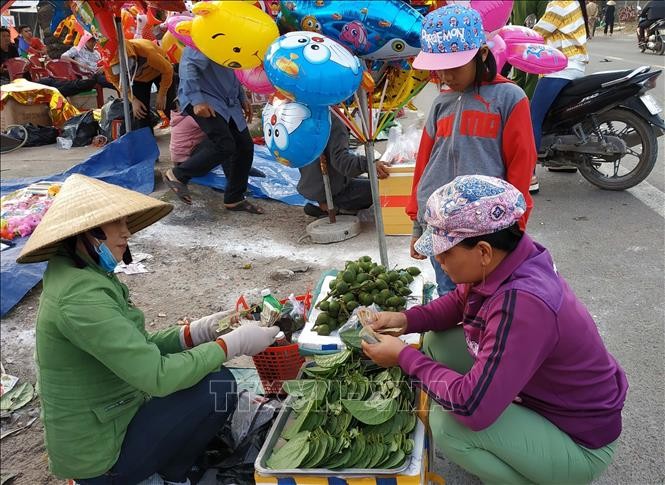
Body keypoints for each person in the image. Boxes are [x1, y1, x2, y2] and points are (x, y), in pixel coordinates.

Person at [363, 174, 627, 485]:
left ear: (484, 251)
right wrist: (406, 320)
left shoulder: (524, 304)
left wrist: (405, 357)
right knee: (439, 342)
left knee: (450, 425)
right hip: (541, 397)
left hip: (580, 441)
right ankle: (509, 447)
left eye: (446, 253)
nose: (439, 261)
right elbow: (457, 304)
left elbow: (472, 407)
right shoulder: (507, 261)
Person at [17, 174, 280, 484]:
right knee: (217, 385)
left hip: (118, 416)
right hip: (99, 455)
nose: (126, 231)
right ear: (85, 232)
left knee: (215, 382)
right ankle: (157, 474)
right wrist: (233, 344)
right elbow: (157, 376)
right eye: (116, 222)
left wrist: (198, 332)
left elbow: (135, 345)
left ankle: (174, 474)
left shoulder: (84, 273)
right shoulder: (78, 297)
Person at [407, 4, 536, 297]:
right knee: (449, 295)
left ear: (482, 54)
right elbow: (425, 164)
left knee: (486, 299)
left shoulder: (510, 98)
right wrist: (417, 223)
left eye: (455, 66)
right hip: (439, 227)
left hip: (483, 229)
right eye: (440, 68)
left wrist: (516, 224)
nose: (446, 75)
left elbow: (521, 164)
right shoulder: (441, 103)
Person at [164, 46, 262, 214]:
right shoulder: (207, 34)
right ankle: (178, 174)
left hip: (227, 99)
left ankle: (234, 198)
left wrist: (241, 96)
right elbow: (188, 65)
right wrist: (197, 100)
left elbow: (233, 67)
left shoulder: (234, 35)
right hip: (204, 98)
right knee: (224, 144)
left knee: (244, 146)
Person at [530, 0, 589, 187]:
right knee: (558, 116)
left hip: (561, 68)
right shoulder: (571, 3)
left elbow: (537, 33)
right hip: (572, 66)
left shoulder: (560, 4)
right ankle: (563, 161)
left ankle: (528, 174)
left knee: (532, 118)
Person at [297, 116, 390, 218]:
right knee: (382, 187)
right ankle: (334, 208)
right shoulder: (333, 120)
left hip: (314, 184)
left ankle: (326, 204)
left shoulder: (306, 114)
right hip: (329, 189)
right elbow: (342, 162)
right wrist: (370, 164)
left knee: (369, 181)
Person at [104, 38, 176, 132]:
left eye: (127, 66)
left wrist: (162, 94)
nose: (125, 70)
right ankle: (147, 137)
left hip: (160, 73)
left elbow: (168, 70)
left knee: (169, 104)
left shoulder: (147, 52)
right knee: (139, 111)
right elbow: (117, 82)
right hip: (138, 79)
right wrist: (133, 99)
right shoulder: (108, 64)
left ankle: (182, 130)